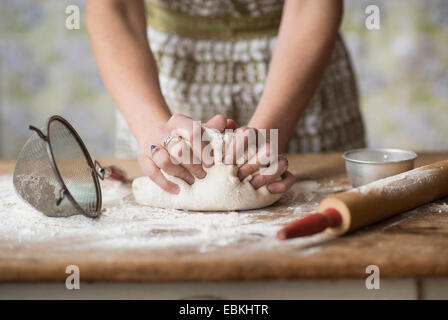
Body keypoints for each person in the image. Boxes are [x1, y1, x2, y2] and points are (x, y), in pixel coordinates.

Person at [86, 0, 365, 195]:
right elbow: (113, 6)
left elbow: (313, 4)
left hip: (297, 74)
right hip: (157, 82)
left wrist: (271, 128)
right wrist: (155, 130)